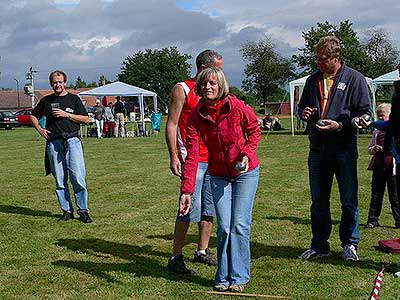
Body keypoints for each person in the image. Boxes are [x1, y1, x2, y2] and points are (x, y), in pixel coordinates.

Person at [180, 67, 261, 292]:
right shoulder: (196, 116)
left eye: (212, 83)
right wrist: (187, 191)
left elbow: (254, 131)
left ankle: (239, 277)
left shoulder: (237, 107)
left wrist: (246, 154)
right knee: (224, 226)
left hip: (245, 173)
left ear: (221, 85)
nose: (208, 87)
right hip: (218, 175)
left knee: (240, 225)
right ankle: (223, 276)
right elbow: (192, 154)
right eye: (204, 84)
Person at [297, 36, 371, 261]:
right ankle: (320, 245)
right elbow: (301, 108)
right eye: (317, 59)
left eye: (323, 59)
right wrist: (305, 114)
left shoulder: (355, 79)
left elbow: (366, 113)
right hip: (317, 149)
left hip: (344, 148)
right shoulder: (313, 80)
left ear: (336, 58)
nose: (319, 63)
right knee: (319, 200)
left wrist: (340, 125)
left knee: (349, 199)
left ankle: (350, 243)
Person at [165, 50, 223, 274]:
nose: (220, 73)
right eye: (217, 68)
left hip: (215, 159)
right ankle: (176, 256)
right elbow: (171, 123)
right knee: (187, 207)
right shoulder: (183, 89)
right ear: (203, 68)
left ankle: (202, 250)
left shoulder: (215, 89)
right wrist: (174, 156)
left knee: (209, 207)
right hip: (193, 159)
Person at [30, 70, 92, 223]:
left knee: (77, 177)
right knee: (60, 180)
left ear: (65, 82)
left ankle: (83, 210)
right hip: (54, 142)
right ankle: (66, 211)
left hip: (72, 141)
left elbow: (86, 119)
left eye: (60, 82)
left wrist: (68, 115)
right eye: (54, 82)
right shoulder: (46, 101)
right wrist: (40, 129)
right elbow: (33, 115)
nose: (57, 85)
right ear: (51, 84)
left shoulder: (74, 99)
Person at [366, 103, 400, 229]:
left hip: (393, 167)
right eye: (378, 115)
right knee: (376, 194)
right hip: (379, 166)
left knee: (395, 195)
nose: (380, 118)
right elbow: (370, 149)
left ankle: (398, 220)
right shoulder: (377, 132)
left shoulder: (394, 127)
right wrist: (374, 149)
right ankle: (373, 219)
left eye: (383, 115)